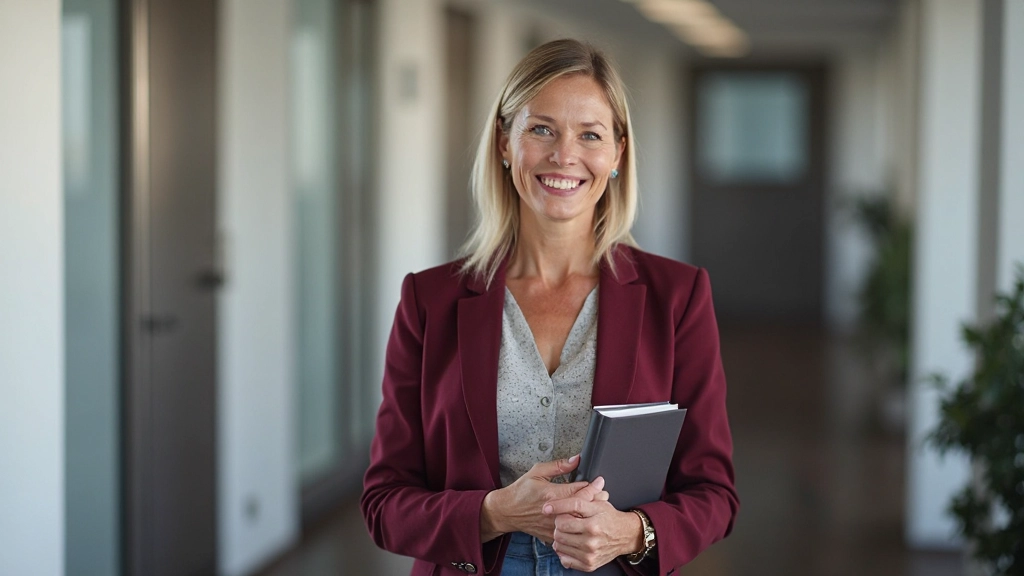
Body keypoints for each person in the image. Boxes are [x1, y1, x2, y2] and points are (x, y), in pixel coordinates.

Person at [361, 38, 738, 575]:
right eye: (541, 129)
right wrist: (491, 513)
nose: (565, 155)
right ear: (504, 142)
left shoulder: (677, 297)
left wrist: (631, 533)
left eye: (590, 134)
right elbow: (383, 504)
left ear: (616, 155)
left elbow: (714, 492)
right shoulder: (430, 301)